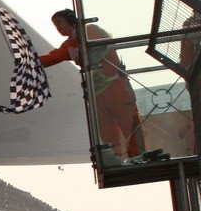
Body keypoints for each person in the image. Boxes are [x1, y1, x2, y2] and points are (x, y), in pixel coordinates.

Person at [41, 9, 144, 160]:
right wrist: (27, 62)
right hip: (98, 92)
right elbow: (52, 57)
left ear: (71, 20)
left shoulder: (90, 30)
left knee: (127, 121)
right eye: (56, 25)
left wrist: (80, 53)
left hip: (116, 85)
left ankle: (138, 155)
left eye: (60, 23)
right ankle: (115, 158)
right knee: (105, 128)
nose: (58, 28)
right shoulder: (69, 45)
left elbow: (99, 51)